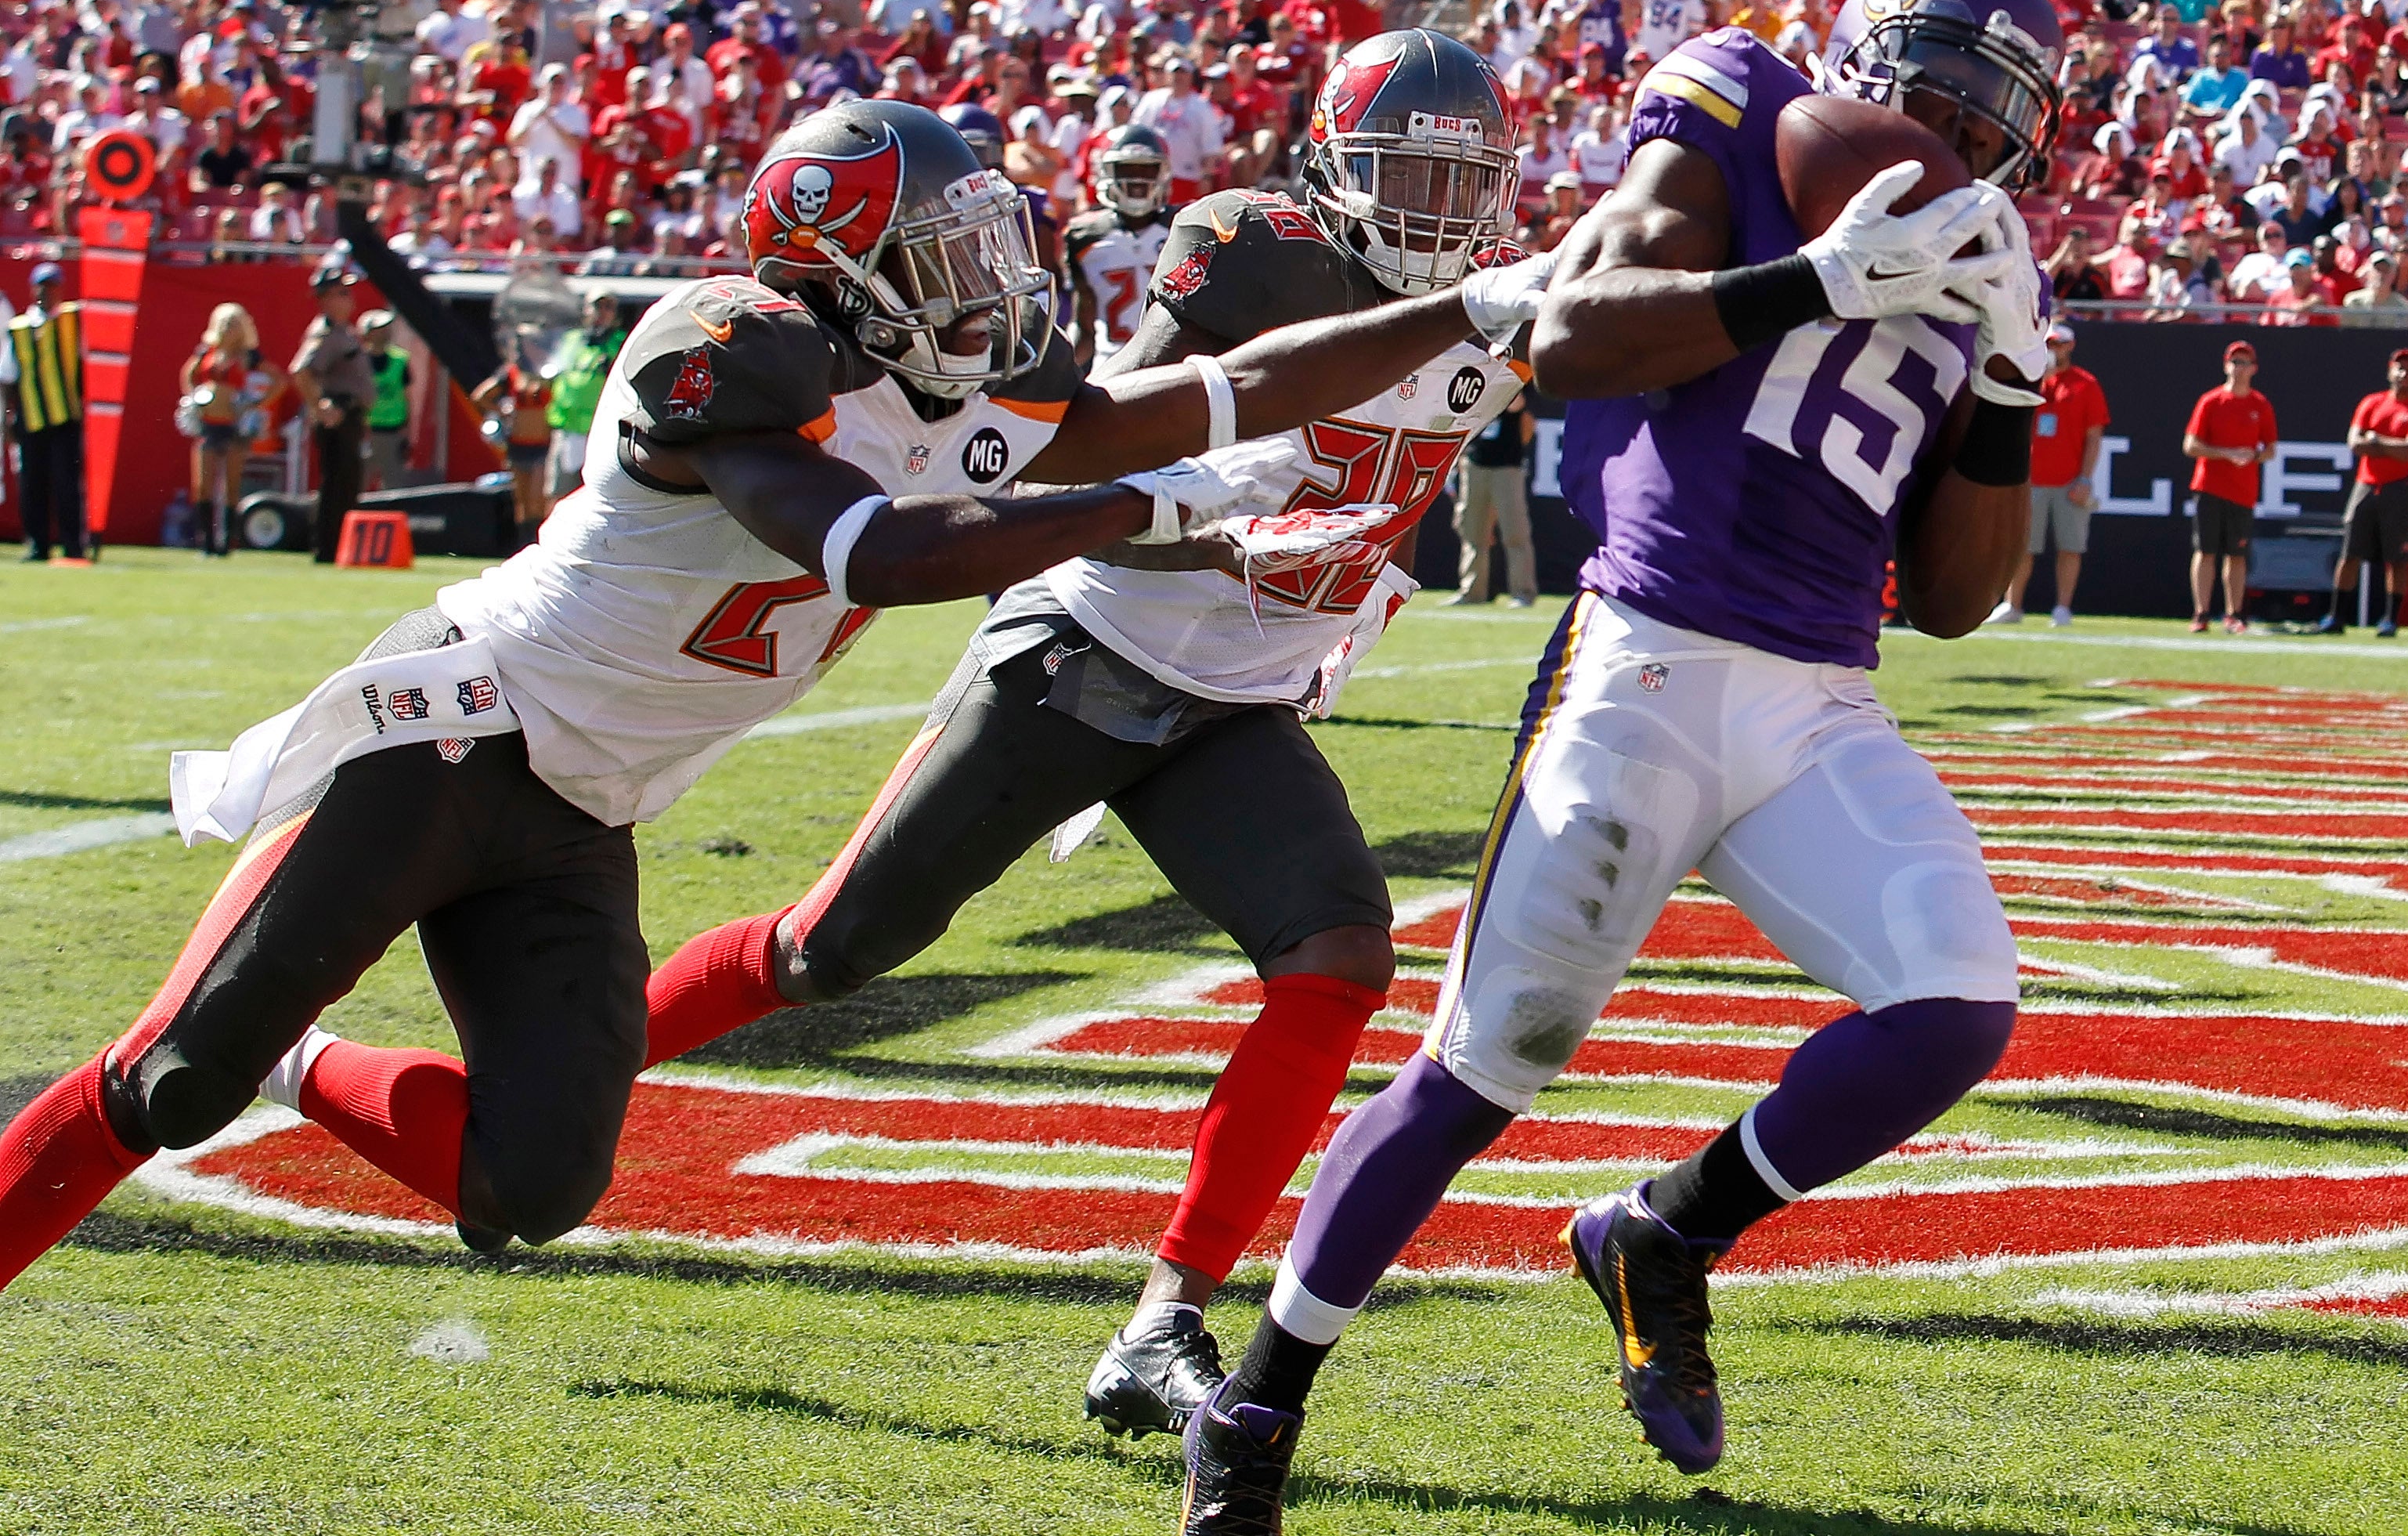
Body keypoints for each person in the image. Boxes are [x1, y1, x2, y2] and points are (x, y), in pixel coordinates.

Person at [0, 97, 1551, 1296]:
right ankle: (213, 1070)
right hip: (451, 742)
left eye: (985, 248)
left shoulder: (958, 392)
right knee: (169, 1082)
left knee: (533, 1190)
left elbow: (1222, 392)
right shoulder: (730, 352)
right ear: (845, 272)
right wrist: (1138, 510)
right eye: (943, 261)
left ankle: (298, 1055)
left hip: (580, 816)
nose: (985, 289)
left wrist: (1465, 315)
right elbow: (871, 549)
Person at [1179, 0, 2054, 1531]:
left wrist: (2006, 382)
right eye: (1942, 89)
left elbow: (1952, 600)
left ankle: (1666, 1231)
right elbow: (1570, 343)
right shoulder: (1740, 99)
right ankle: (1255, 1407)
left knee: (1958, 1002)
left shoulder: (2002, 262)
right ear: (1864, 61)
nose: (1965, 137)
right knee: (1488, 1061)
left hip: (1821, 698)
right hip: (1644, 653)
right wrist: (1814, 279)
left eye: (1999, 119)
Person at [2315, 347, 2408, 637]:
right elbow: (2355, 444)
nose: (2402, 374)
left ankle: (2391, 619)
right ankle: (2336, 616)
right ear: (2389, 371)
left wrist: (2378, 440)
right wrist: (2389, 446)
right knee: (2350, 553)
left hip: (2400, 488)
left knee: (2398, 557)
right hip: (2366, 485)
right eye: (2398, 367)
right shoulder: (2371, 403)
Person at [1998, 320, 2105, 624]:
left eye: (2058, 344)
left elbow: (2094, 436)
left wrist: (2085, 478)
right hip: (2030, 480)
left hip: (2069, 479)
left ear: (2070, 346)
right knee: (2022, 547)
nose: (2053, 350)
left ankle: (2062, 608)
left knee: (2069, 547)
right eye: (2048, 344)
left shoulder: (2085, 384)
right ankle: (2012, 606)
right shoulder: (2030, 381)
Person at [2182, 340, 2275, 634]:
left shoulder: (2260, 405)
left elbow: (2271, 448)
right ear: (2226, 366)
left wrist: (2254, 456)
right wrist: (2227, 454)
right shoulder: (2210, 401)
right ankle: (2201, 613)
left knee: (2237, 555)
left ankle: (2234, 614)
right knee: (2205, 551)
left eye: (2245, 363)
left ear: (2254, 369)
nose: (2239, 368)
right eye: (2235, 362)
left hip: (2243, 491)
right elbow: (2191, 445)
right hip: (2209, 486)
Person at [1064, 125, 1175, 365]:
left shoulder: (1183, 227)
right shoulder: (1084, 236)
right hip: (1112, 364)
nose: (1137, 180)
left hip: (1173, 364)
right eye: (1127, 169)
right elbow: (1084, 324)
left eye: (1147, 170)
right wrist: (1063, 373)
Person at [292, 257, 374, 564]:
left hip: (350, 415)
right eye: (342, 293)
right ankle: (328, 548)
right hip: (338, 417)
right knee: (337, 484)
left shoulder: (343, 330)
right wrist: (320, 405)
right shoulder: (325, 332)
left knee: (347, 483)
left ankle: (340, 546)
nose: (350, 298)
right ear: (325, 299)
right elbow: (301, 370)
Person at [3, 262, 85, 562]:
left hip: (66, 417)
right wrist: (10, 420)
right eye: (41, 286)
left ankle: (72, 545)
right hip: (31, 418)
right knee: (32, 485)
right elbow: (9, 377)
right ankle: (38, 545)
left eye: (51, 286)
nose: (45, 293)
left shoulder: (72, 320)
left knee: (67, 484)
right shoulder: (19, 328)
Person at [175, 302, 269, 558]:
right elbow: (188, 374)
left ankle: (228, 542)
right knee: (202, 486)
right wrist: (193, 398)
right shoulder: (207, 351)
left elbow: (278, 380)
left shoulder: (249, 355)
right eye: (226, 324)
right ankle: (206, 542)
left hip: (234, 425)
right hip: (208, 423)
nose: (230, 330)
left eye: (235, 324)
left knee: (231, 485)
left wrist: (254, 403)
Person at [1452, 381, 1537, 606]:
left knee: (1515, 532)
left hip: (1507, 466)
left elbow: (1516, 406)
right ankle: (1472, 592)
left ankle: (1523, 592)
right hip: (1475, 462)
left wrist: (1499, 385)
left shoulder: (1516, 378)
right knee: (1473, 532)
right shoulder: (1478, 379)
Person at [543, 294, 626, 510]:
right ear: (586, 310)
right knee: (558, 492)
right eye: (597, 307)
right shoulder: (571, 339)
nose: (602, 313)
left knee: (596, 493)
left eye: (608, 307)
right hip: (567, 428)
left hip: (599, 432)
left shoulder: (620, 342)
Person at [471, 330, 554, 528]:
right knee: (522, 501)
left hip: (543, 445)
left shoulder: (550, 372)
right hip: (517, 443)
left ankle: (537, 540)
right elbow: (480, 396)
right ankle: (522, 543)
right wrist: (501, 410)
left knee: (538, 500)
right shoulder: (511, 373)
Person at [358, 312, 413, 492]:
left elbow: (406, 396)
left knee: (393, 486)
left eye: (386, 328)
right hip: (365, 432)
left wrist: (407, 431)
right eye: (379, 329)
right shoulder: (357, 361)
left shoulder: (400, 360)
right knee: (358, 484)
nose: (386, 332)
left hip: (392, 431)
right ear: (368, 333)